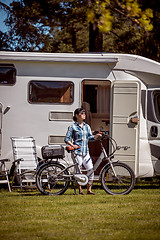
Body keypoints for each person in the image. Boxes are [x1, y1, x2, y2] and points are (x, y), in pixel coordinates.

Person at [64, 107, 101, 195]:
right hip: (77, 152)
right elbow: (67, 139)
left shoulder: (87, 126)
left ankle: (89, 190)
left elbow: (90, 138)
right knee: (78, 172)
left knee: (91, 170)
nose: (84, 114)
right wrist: (72, 145)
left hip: (86, 152)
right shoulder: (72, 127)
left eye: (84, 113)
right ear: (76, 115)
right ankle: (80, 190)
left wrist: (97, 136)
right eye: (82, 113)